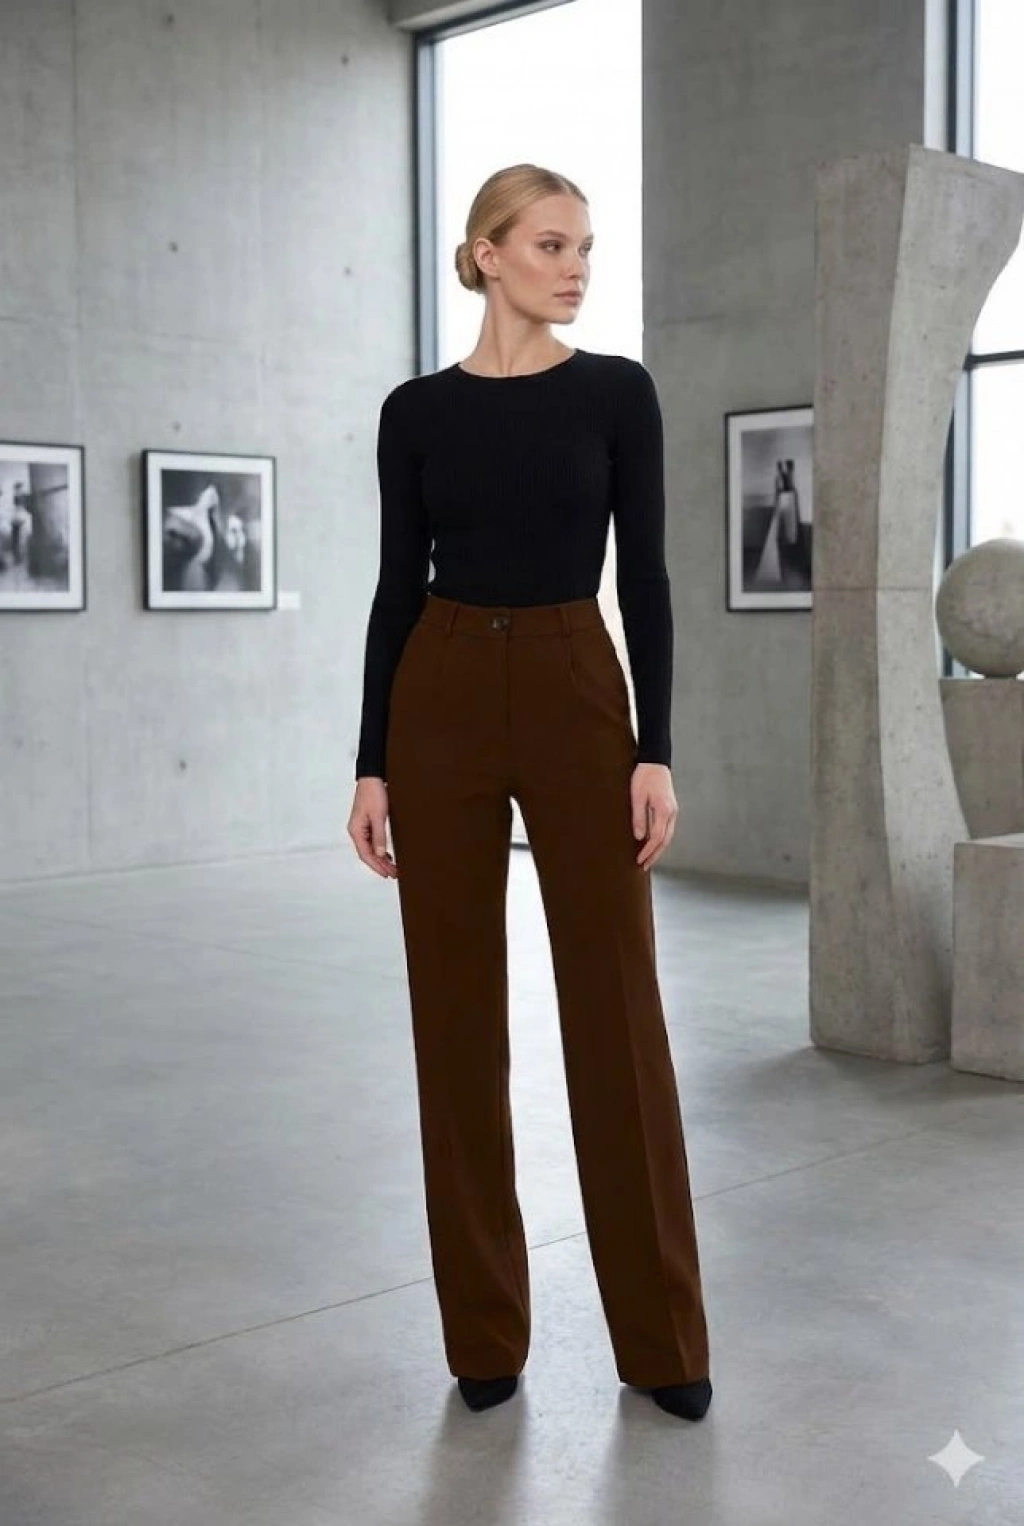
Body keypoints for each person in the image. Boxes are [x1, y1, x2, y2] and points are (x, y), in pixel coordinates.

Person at [347, 164, 712, 1421]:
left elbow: (645, 576)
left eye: (586, 248)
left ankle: (663, 1339)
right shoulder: (414, 412)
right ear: (487, 253)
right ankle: (482, 1331)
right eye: (551, 244)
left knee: (617, 1010)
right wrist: (371, 760)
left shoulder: (616, 392)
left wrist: (653, 746)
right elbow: (395, 585)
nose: (576, 268)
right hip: (439, 689)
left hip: (572, 683)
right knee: (453, 1017)